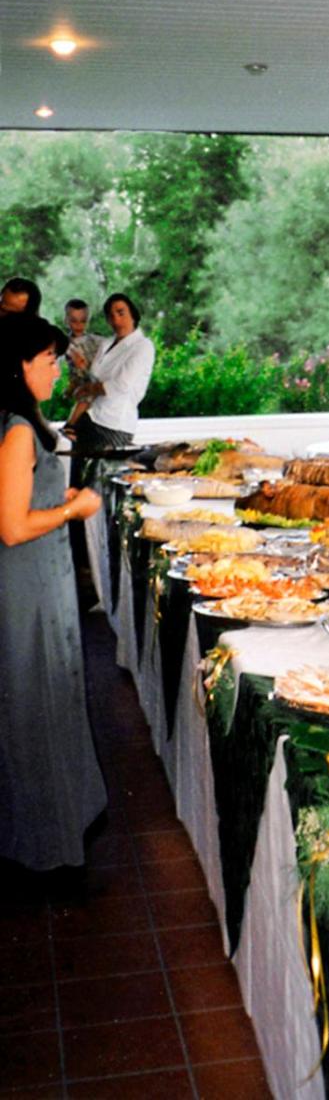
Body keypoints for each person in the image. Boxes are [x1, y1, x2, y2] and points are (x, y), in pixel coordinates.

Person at [0, 313, 106, 870]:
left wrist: (55, 496)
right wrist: (73, 508)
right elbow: (12, 526)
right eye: (48, 361)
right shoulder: (18, 428)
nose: (57, 371)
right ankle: (39, 842)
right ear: (18, 366)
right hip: (26, 583)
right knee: (32, 701)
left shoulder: (22, 420)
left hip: (41, 579)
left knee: (44, 697)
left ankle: (52, 825)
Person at [70, 292, 154, 453]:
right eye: (110, 315)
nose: (116, 320)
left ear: (133, 315)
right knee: (78, 468)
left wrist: (89, 389)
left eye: (121, 313)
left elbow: (120, 385)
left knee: (102, 469)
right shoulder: (106, 344)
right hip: (90, 418)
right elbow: (94, 377)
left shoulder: (143, 346)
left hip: (113, 424)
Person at [61, 298, 103, 436]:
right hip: (81, 379)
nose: (79, 325)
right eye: (74, 321)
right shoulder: (66, 343)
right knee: (88, 393)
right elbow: (77, 365)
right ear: (66, 320)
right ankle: (70, 425)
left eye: (83, 321)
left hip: (93, 375)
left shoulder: (95, 340)